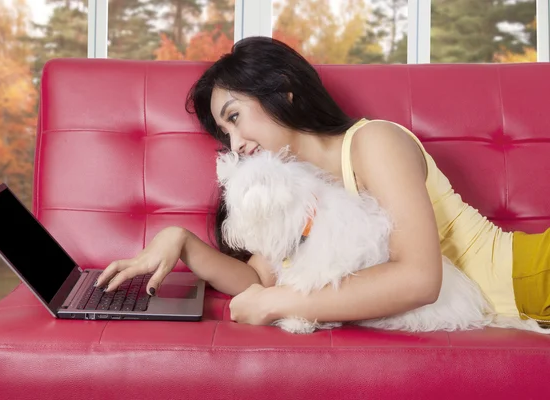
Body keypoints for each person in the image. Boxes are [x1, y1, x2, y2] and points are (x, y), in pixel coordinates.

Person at [95, 37, 550, 327]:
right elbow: (257, 276)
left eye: (235, 118)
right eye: (224, 133)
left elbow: (419, 279)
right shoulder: (297, 187)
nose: (235, 144)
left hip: (532, 275)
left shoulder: (373, 143)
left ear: (282, 91)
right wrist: (182, 243)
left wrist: (277, 304)